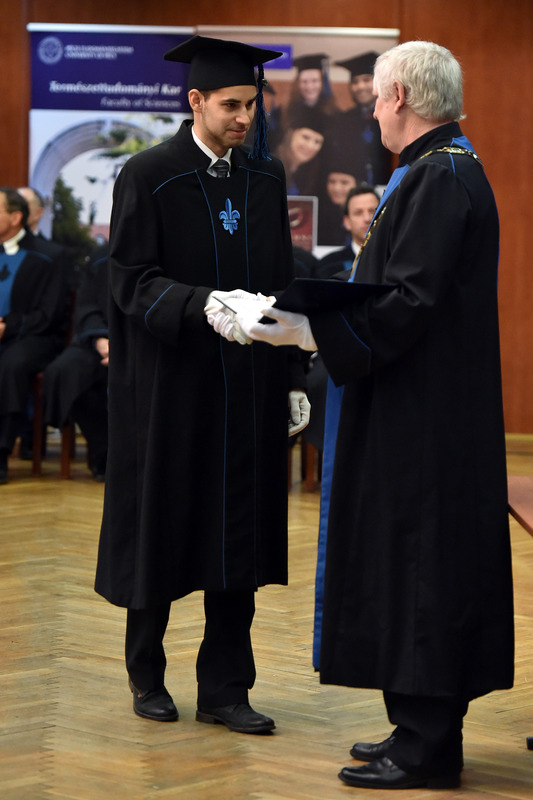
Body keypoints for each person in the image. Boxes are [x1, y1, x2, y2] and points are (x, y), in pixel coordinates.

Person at [211, 40, 514, 789]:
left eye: (377, 97)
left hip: (425, 415)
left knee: (420, 565)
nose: (373, 111)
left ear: (401, 96)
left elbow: (409, 302)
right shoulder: (433, 169)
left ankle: (428, 746)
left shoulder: (440, 176)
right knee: (404, 560)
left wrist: (312, 330)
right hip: (413, 402)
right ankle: (413, 727)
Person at [94, 35, 309, 735]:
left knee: (237, 533)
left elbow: (280, 278)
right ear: (195, 100)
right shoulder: (149, 174)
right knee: (161, 523)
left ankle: (225, 688)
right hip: (172, 385)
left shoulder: (265, 176)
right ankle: (145, 674)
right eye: (230, 105)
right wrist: (201, 304)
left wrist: (294, 375)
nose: (244, 118)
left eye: (251, 104)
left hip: (247, 386)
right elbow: (130, 281)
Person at [0, 187, 67, 483]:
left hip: (34, 338)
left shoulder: (49, 256)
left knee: (12, 364)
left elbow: (50, 315)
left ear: (15, 217)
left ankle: (1, 452)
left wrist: (8, 326)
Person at [43, 243, 109, 481]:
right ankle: (104, 453)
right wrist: (101, 340)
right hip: (99, 340)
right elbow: (87, 305)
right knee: (65, 372)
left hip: (143, 343)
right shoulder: (101, 257)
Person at [331, 51, 392, 186]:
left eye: (366, 80)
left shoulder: (392, 116)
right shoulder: (344, 120)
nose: (360, 87)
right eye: (355, 82)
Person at [317, 185, 380, 276]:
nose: (367, 219)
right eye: (358, 213)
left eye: (372, 211)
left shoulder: (396, 262)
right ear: (347, 222)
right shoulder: (328, 267)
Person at [275, 105, 328, 196]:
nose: (310, 146)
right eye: (305, 137)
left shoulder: (315, 176)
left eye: (317, 142)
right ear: (290, 134)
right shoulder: (268, 166)